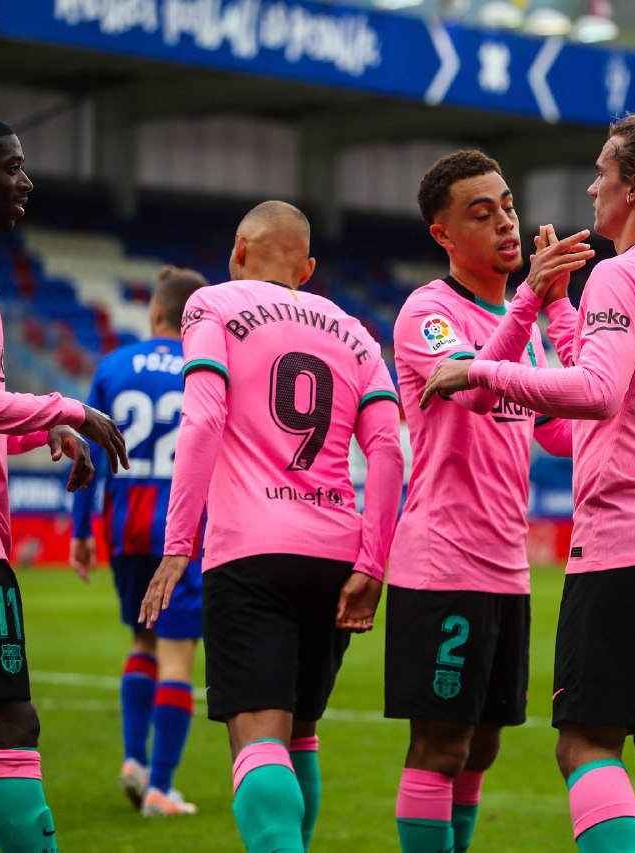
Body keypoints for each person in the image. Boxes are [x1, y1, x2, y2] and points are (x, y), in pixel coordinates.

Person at [423, 113, 635, 853]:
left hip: (630, 543)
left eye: (603, 172)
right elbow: (616, 396)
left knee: (587, 743)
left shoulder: (621, 274)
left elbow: (596, 391)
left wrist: (481, 370)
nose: (593, 186)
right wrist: (559, 305)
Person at [138, 200, 405, 853]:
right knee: (301, 733)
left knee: (259, 738)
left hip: (251, 550)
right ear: (306, 269)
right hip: (335, 552)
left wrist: (178, 544)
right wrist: (373, 563)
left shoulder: (211, 304)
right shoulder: (356, 331)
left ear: (238, 249)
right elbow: (388, 450)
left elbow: (203, 418)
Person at [387, 149, 590, 853]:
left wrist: (560, 313)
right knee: (442, 744)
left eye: (507, 206)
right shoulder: (428, 312)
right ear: (443, 234)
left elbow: (561, 432)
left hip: (506, 568)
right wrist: (531, 298)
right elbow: (472, 388)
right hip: (443, 563)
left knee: (482, 748)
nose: (506, 223)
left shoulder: (519, 323)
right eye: (483, 214)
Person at [0, 109, 128, 853]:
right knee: (9, 720)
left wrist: (38, 430)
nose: (26, 182)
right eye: (12, 167)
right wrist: (67, 408)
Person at [69, 265, 209, 816]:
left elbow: (86, 452)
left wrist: (81, 531)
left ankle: (133, 760)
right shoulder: (205, 366)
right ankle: (160, 789)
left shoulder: (112, 365)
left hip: (125, 523)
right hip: (183, 530)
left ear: (155, 311)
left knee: (141, 641)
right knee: (178, 655)